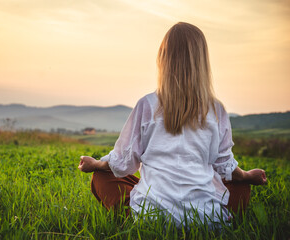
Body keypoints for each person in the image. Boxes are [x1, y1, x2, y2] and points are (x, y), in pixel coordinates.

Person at [78, 22, 267, 226]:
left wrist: (95, 164)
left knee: (101, 177)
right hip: (206, 219)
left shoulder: (147, 105)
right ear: (202, 62)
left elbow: (124, 162)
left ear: (163, 58)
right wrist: (247, 175)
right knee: (241, 185)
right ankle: (215, 217)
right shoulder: (216, 109)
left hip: (151, 218)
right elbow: (224, 166)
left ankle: (140, 218)